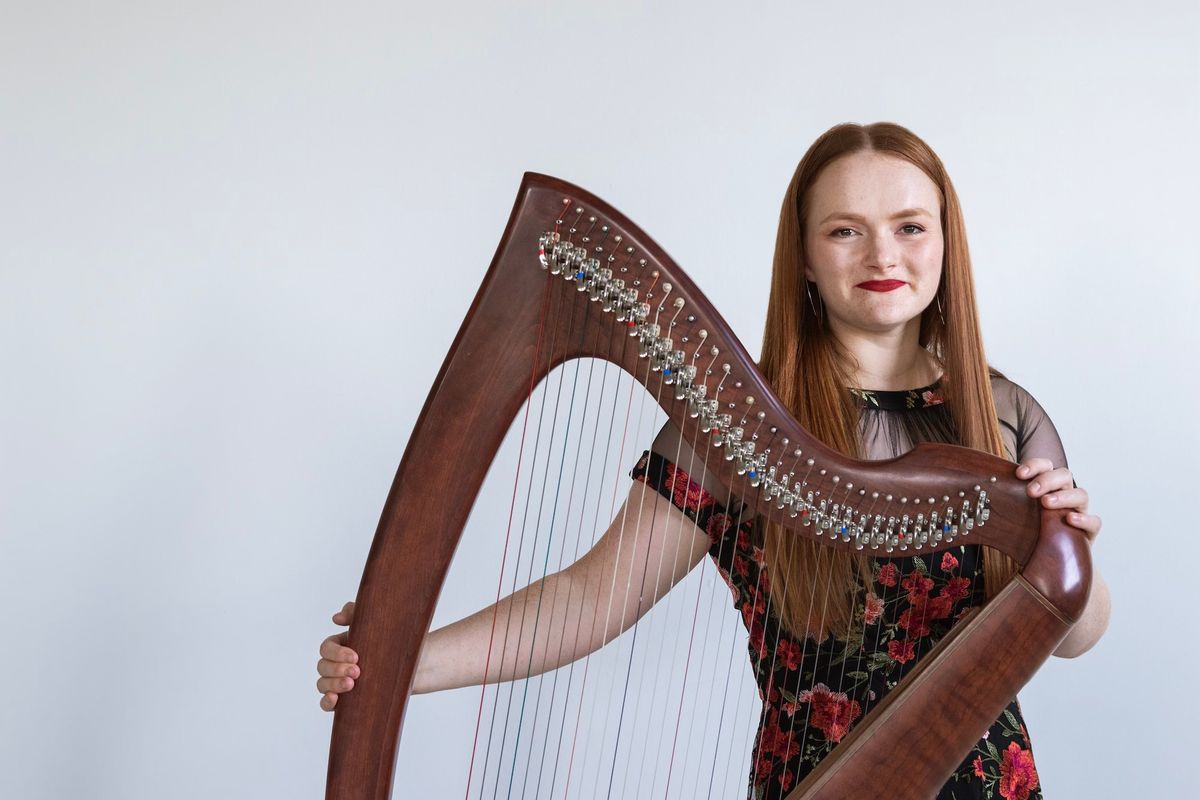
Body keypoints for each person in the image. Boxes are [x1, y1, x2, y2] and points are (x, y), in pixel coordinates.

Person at [316, 122, 1110, 799]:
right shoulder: (734, 431)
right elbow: (594, 597)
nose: (882, 252)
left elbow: (1075, 635)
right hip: (809, 782)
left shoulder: (1004, 415)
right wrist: (403, 664)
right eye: (844, 229)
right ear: (804, 256)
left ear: (944, 242)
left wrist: (1071, 543)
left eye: (910, 225)